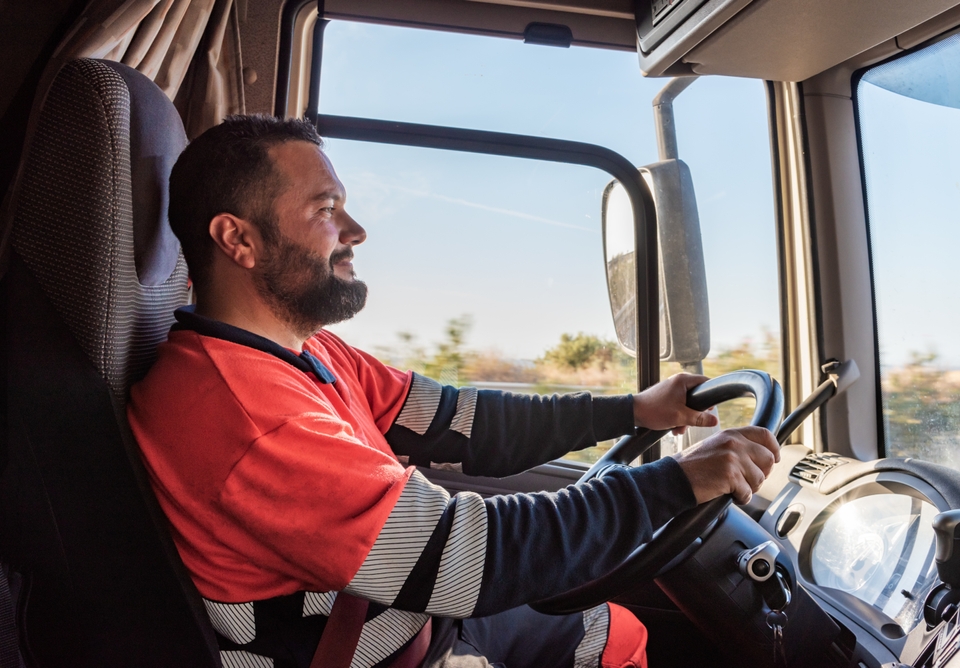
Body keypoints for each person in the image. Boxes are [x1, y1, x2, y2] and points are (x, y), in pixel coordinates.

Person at [127, 115, 780, 668]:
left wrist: (634, 409)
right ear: (237, 238)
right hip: (373, 652)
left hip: (403, 617)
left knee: (616, 631)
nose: (355, 231)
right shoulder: (240, 412)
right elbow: (465, 558)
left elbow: (466, 422)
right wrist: (673, 484)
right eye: (326, 210)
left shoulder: (303, 352)